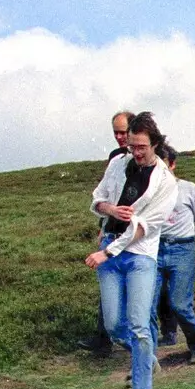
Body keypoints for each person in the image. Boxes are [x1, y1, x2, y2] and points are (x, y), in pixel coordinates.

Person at [86, 112, 179, 389]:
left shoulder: (166, 183)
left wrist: (107, 252)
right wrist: (110, 209)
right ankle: (147, 357)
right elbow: (97, 199)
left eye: (141, 147)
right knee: (114, 326)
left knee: (139, 325)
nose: (136, 152)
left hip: (138, 255)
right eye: (132, 146)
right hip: (109, 249)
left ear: (155, 144)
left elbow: (145, 228)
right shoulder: (117, 164)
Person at [153, 142, 195, 367]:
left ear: (172, 165)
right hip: (153, 250)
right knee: (147, 304)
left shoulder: (189, 189)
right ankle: (147, 358)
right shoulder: (147, 191)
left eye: (163, 166)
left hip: (183, 249)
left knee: (179, 303)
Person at [81, 110, 137, 354]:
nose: (119, 137)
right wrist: (102, 227)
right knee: (109, 284)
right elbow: (106, 195)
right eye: (115, 132)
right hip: (113, 230)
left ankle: (159, 333)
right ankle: (104, 339)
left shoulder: (149, 157)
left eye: (124, 132)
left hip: (139, 233)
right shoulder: (115, 158)